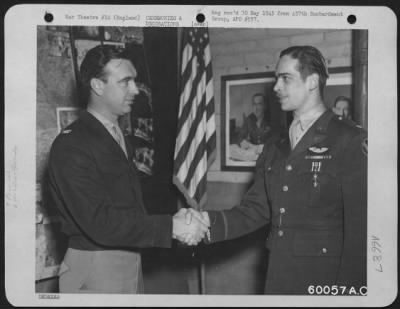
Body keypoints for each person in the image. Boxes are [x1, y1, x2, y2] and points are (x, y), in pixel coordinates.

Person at [186, 46, 367, 295]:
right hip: (279, 276)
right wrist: (207, 223)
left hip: (326, 282)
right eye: (276, 79)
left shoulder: (348, 139)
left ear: (313, 82)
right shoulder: (275, 144)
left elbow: (361, 229)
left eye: (286, 78)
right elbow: (256, 209)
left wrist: (351, 294)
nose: (276, 87)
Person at [48, 45, 209, 294]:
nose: (136, 90)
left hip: (129, 260)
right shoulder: (72, 144)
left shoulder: (117, 136)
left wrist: (180, 219)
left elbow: (129, 202)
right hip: (96, 266)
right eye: (125, 82)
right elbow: (100, 221)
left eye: (135, 81)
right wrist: (171, 227)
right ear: (97, 86)